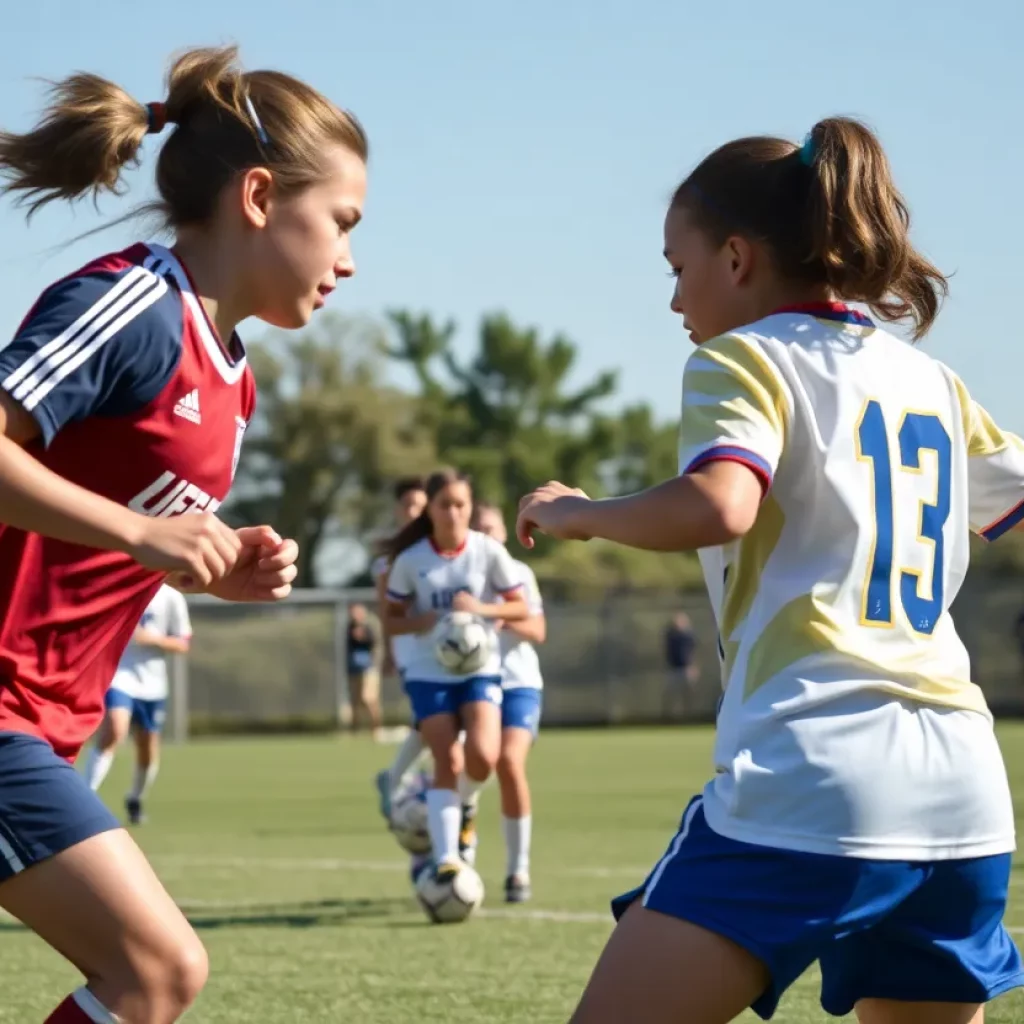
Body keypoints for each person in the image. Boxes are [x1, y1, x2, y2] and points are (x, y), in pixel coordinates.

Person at [517, 117, 1024, 1024]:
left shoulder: (740, 359)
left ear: (739, 259)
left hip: (813, 777)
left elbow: (722, 504)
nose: (674, 301)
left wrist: (581, 514)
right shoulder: (931, 383)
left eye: (678, 268)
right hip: (964, 801)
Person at [0, 44, 364, 1024]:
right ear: (259, 196)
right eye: (341, 221)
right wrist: (141, 531)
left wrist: (213, 566)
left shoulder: (233, 376)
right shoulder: (133, 306)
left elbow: (111, 527)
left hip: (42, 721)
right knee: (158, 970)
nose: (349, 256)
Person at [384, 469, 527, 884]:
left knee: (483, 758)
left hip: (480, 668)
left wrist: (482, 610)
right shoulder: (411, 561)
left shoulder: (487, 552)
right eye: (444, 505)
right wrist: (421, 621)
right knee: (448, 757)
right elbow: (391, 620)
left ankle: (458, 805)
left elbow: (522, 609)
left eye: (461, 504)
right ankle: (447, 857)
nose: (454, 513)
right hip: (430, 671)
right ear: (430, 509)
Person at [474, 501, 546, 904]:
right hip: (474, 685)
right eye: (478, 528)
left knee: (508, 762)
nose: (486, 535)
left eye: (491, 527)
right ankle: (457, 855)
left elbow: (538, 628)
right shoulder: (464, 574)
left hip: (519, 684)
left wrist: (497, 615)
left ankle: (518, 870)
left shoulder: (519, 575)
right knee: (471, 767)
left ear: (504, 532)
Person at [83, 584, 192, 824]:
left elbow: (183, 643)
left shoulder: (171, 597)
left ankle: (135, 798)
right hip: (119, 675)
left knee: (148, 748)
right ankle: (82, 798)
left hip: (153, 684)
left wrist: (151, 640)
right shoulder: (121, 586)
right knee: (114, 730)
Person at [372, 477, 430, 814]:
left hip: (444, 649)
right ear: (397, 510)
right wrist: (391, 654)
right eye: (409, 505)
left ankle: (396, 779)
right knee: (432, 721)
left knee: (434, 725)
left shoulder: (440, 547)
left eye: (421, 506)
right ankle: (404, 784)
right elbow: (387, 612)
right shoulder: (389, 560)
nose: (415, 512)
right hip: (413, 650)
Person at [345, 602, 383, 735]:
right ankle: (354, 730)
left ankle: (376, 729)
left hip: (370, 667)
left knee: (368, 698)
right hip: (354, 667)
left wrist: (364, 635)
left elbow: (376, 643)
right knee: (354, 700)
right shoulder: (350, 627)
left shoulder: (371, 624)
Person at [663, 611, 698, 719]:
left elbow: (693, 652)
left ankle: (690, 716)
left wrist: (693, 667)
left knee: (688, 694)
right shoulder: (671, 636)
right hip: (674, 669)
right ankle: (672, 717)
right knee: (672, 695)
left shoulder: (689, 636)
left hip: (686, 669)